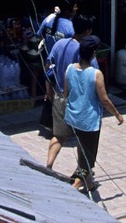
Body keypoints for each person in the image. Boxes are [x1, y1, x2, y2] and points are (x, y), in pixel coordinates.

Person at [64, 39, 123, 195]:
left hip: (73, 118)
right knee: (89, 158)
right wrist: (117, 115)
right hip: (89, 121)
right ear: (94, 54)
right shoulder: (96, 74)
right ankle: (75, 187)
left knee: (82, 148)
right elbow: (104, 99)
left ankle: (89, 184)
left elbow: (66, 94)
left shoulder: (69, 69)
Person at [46, 14, 98, 171]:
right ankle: (81, 175)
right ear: (88, 30)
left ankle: (48, 167)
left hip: (59, 95)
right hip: (80, 101)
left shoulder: (59, 44)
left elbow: (49, 69)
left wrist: (49, 92)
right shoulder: (86, 50)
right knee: (82, 140)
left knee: (59, 135)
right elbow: (94, 77)